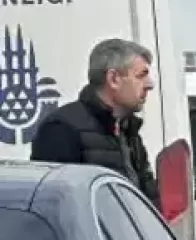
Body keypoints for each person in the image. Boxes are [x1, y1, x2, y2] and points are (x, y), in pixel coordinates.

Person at [31, 38, 158, 203]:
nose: (150, 84)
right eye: (141, 76)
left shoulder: (128, 130)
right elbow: (52, 207)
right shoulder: (61, 129)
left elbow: (145, 198)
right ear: (113, 79)